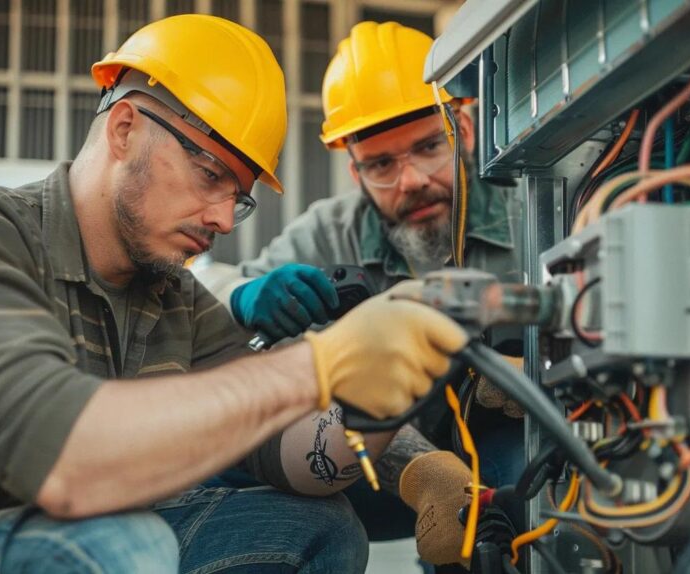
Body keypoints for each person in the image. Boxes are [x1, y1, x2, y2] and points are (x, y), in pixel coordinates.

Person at [0, 15, 470, 574]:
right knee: (127, 543)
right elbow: (63, 461)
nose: (220, 217)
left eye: (236, 197)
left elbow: (295, 461)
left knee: (315, 525)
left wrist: (375, 398)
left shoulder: (173, 297)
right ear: (125, 128)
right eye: (210, 174)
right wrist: (313, 367)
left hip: (84, 537)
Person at [201, 21, 527, 569]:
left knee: (519, 486)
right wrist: (242, 294)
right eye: (381, 164)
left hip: (500, 451)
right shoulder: (328, 233)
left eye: (427, 147)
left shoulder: (533, 212)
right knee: (238, 454)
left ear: (463, 130)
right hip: (375, 467)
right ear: (354, 170)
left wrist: (534, 367)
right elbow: (196, 300)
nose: (411, 181)